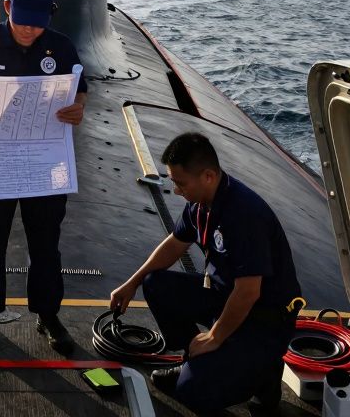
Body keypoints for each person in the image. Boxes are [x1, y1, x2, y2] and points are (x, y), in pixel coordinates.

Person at [108, 132, 303, 414]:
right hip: (225, 298)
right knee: (155, 283)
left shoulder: (244, 214)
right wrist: (132, 282)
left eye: (180, 183)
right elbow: (175, 244)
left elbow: (248, 292)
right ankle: (195, 361)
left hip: (263, 321)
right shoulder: (201, 205)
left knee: (192, 393)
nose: (175, 190)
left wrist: (214, 337)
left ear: (208, 176)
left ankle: (263, 375)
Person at [0, 0, 88, 356]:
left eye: (38, 21)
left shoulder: (60, 47)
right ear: (7, 8)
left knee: (46, 244)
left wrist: (79, 109)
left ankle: (47, 315)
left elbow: (81, 89)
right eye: (22, 19)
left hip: (43, 164)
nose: (29, 28)